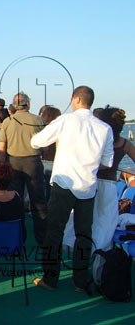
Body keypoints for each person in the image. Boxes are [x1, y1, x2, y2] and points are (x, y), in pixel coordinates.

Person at [31, 86, 114, 294]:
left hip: (64, 183)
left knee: (54, 232)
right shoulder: (105, 128)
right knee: (84, 235)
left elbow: (37, 141)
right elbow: (107, 162)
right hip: (88, 186)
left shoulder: (66, 120)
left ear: (75, 99)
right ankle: (79, 281)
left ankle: (50, 279)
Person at [63, 106, 135, 281]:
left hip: (90, 183)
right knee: (105, 223)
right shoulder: (125, 143)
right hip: (109, 186)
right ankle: (100, 257)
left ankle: (81, 254)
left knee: (81, 220)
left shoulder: (94, 141)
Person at [0, 92, 47, 246]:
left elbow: (2, 148)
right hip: (33, 162)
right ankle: (42, 237)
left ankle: (19, 237)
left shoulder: (7, 121)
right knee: (38, 201)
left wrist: (4, 165)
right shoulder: (38, 120)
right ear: (28, 104)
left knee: (16, 201)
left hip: (13, 162)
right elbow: (45, 145)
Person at [40, 106, 61, 202]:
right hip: (57, 162)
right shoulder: (60, 130)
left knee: (43, 189)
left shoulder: (44, 130)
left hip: (45, 161)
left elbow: (44, 147)